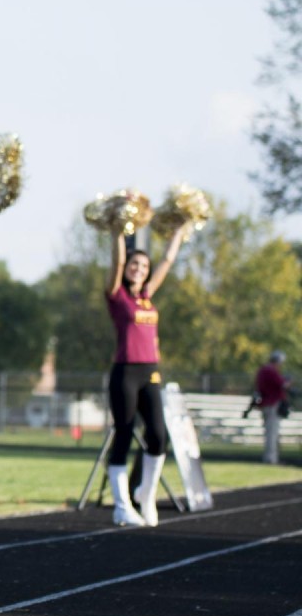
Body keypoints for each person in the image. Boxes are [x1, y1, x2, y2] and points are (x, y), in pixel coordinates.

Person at [104, 225, 188, 527]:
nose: (139, 269)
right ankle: (121, 505)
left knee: (158, 436)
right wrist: (117, 230)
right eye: (134, 264)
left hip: (150, 371)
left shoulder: (147, 296)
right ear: (126, 268)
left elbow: (167, 260)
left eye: (143, 266)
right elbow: (115, 262)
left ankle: (146, 494)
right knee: (124, 435)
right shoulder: (117, 296)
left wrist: (180, 230)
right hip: (125, 372)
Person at [254, 350, 290, 465]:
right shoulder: (270, 371)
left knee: (270, 433)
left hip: (267, 404)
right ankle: (271, 459)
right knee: (272, 433)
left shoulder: (263, 370)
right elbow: (282, 385)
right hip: (272, 404)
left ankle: (271, 458)